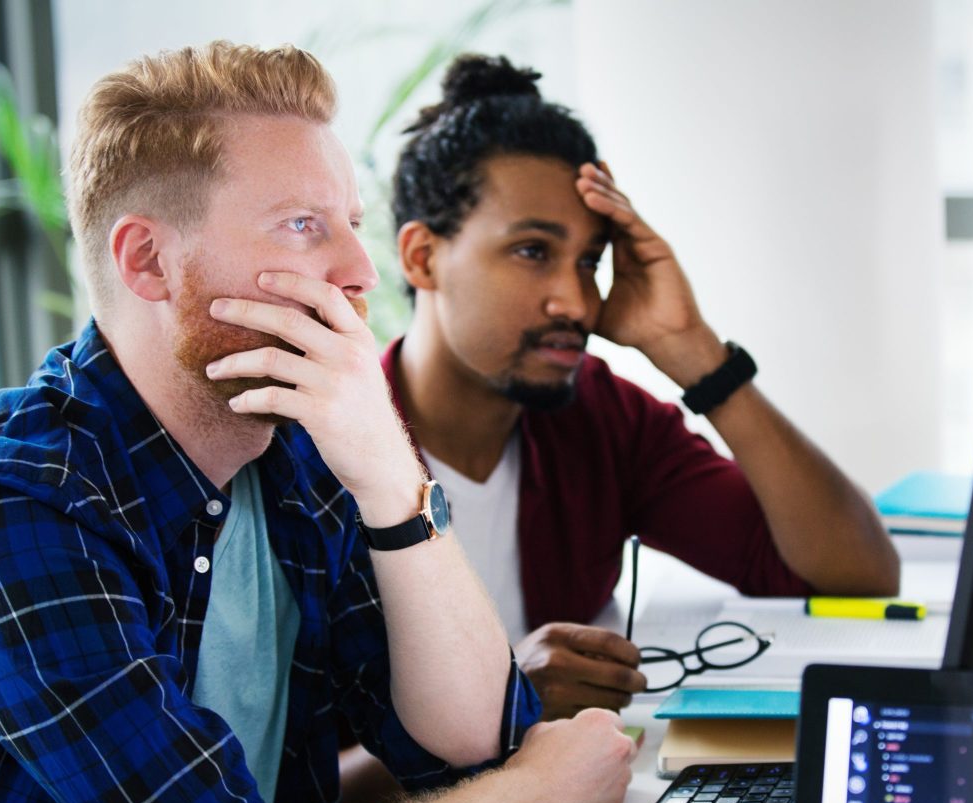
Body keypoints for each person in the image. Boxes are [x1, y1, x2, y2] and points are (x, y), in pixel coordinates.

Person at [0, 42, 635, 803]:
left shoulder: (289, 445)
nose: (359, 270)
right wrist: (535, 801)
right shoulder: (5, 508)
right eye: (303, 226)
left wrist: (387, 472)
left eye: (348, 220)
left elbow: (467, 741)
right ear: (148, 261)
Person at [384, 55, 899, 721]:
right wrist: (502, 704)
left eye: (591, 261)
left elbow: (857, 576)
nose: (577, 302)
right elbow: (277, 781)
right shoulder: (320, 459)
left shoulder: (598, 415)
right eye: (533, 251)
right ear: (423, 256)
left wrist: (693, 352)